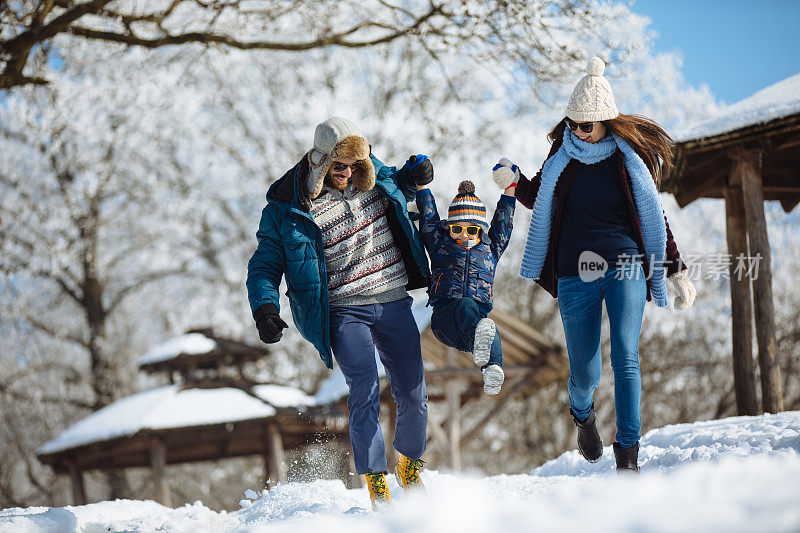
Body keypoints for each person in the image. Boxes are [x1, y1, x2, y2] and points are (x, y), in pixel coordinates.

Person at [496, 57, 697, 473]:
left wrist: (675, 269)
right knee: (585, 371)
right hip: (575, 272)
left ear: (605, 122)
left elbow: (653, 216)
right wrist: (515, 183)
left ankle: (628, 454)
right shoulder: (562, 155)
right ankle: (583, 414)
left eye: (585, 126)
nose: (577, 132)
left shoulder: (628, 162)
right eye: (572, 124)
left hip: (626, 266)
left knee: (626, 356)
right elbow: (541, 195)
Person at [246, 117, 433, 507]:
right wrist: (266, 306)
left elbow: (400, 185)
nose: (347, 173)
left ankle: (410, 466)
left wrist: (415, 176)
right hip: (345, 310)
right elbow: (265, 262)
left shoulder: (373, 176)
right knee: (363, 391)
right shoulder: (287, 208)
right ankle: (376, 480)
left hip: (394, 299)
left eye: (353, 165)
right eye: (338, 165)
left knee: (413, 393)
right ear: (320, 160)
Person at [415, 179, 516, 395]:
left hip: (474, 327)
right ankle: (481, 346)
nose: (463, 234)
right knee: (466, 307)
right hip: (444, 320)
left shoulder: (491, 250)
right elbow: (428, 218)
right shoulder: (440, 245)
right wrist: (422, 185)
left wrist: (511, 189)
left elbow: (503, 223)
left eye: (471, 229)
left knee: (488, 328)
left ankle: (493, 370)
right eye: (457, 228)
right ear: (448, 227)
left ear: (480, 231)